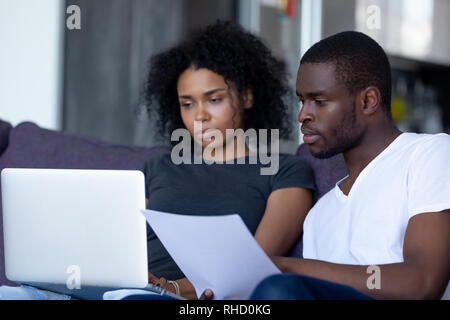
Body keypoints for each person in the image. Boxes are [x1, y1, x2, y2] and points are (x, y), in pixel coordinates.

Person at [204, 30, 450, 300]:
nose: (303, 115)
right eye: (302, 101)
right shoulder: (320, 215)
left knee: (278, 289)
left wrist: (288, 267)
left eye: (319, 102)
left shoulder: (429, 154)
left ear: (368, 100)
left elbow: (422, 281)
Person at [141, 21, 315, 299]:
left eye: (213, 100)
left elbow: (253, 267)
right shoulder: (156, 168)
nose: (200, 115)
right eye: (188, 103)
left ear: (245, 97)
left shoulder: (284, 172)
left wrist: (170, 288)